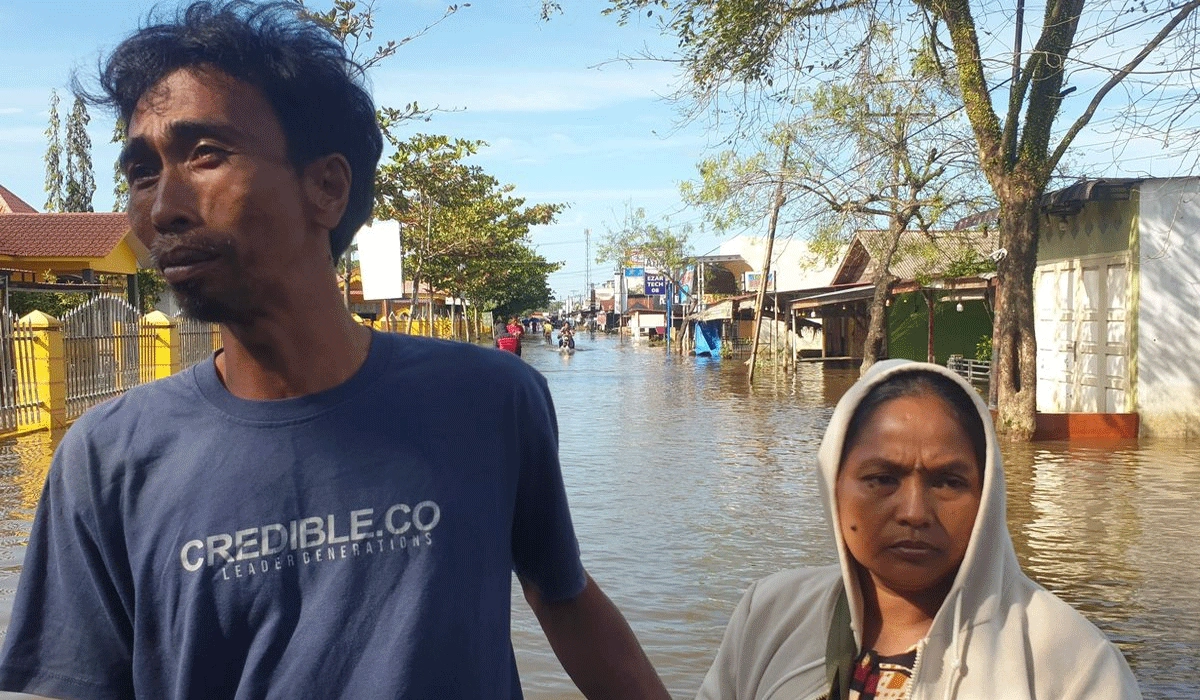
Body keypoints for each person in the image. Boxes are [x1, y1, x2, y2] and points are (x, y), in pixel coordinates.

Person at [0, 4, 670, 699]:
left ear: (326, 187)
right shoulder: (108, 460)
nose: (164, 206)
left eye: (205, 155)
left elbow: (563, 598)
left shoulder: (492, 400)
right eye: (142, 171)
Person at [697, 360, 1141, 700]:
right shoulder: (770, 616)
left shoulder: (1071, 660)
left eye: (948, 482)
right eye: (881, 478)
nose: (913, 512)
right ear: (833, 483)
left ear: (986, 494)